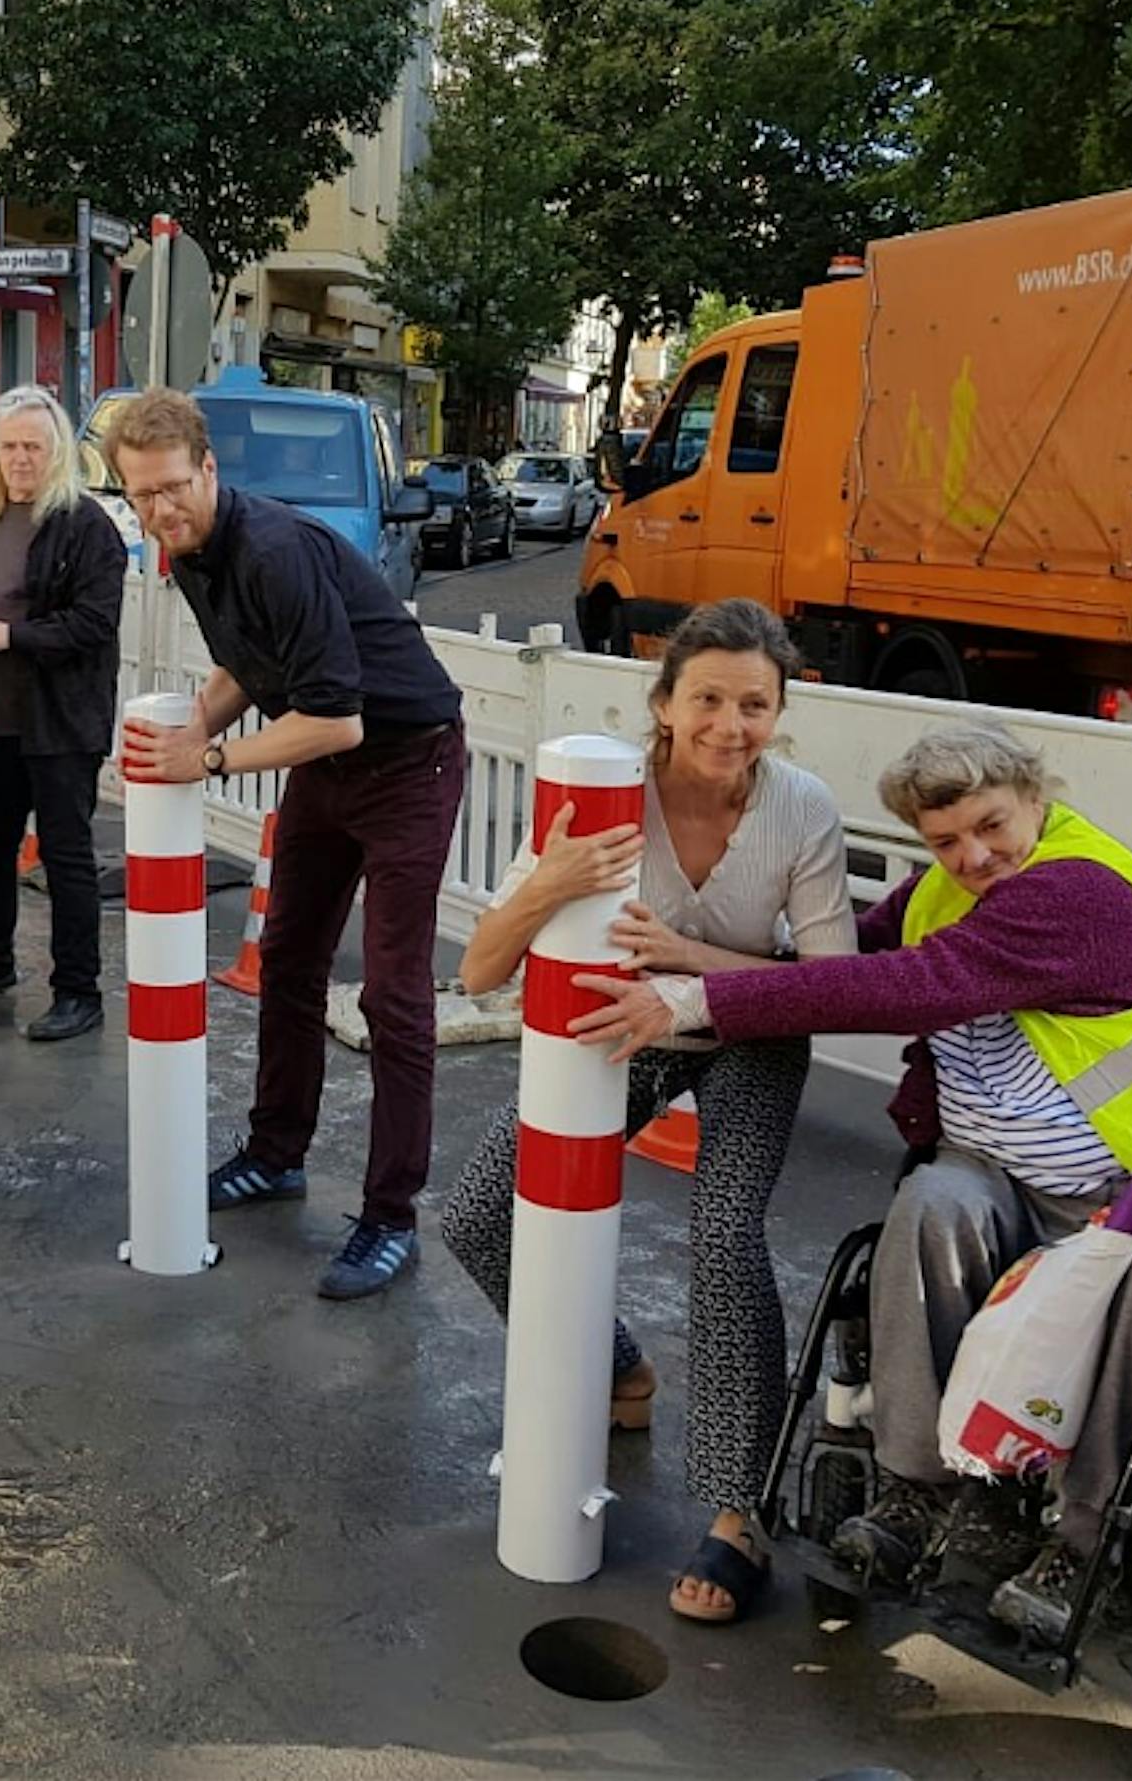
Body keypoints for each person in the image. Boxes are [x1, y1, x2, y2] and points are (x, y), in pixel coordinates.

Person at [568, 719, 1132, 1646]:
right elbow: (845, 969)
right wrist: (698, 959)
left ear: (1038, 799)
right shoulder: (942, 892)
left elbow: (904, 988)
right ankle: (913, 1489)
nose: (974, 857)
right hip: (1008, 1176)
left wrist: (692, 1001)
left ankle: (1083, 1529)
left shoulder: (1074, 893)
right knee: (929, 1205)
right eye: (946, 840)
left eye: (992, 825)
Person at [440, 599, 857, 1624]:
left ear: (779, 711)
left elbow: (834, 984)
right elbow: (479, 968)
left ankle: (736, 1511)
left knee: (723, 1233)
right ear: (663, 703)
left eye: (753, 703)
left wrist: (694, 963)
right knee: (478, 1214)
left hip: (749, 1032)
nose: (729, 722)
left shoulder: (800, 808)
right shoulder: (602, 797)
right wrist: (547, 883)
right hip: (630, 1032)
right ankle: (620, 1364)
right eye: (706, 697)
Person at [109, 386, 465, 1302]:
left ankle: (391, 1215)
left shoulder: (270, 548)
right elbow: (249, 662)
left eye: (175, 487)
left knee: (392, 993)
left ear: (211, 469)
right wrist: (183, 729)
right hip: (331, 759)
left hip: (405, 761)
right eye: (142, 495)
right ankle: (277, 1154)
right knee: (288, 959)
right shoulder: (186, 549)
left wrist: (210, 755)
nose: (161, 509)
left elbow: (339, 719)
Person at [0, 385, 125, 1043]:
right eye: (10, 445)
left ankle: (79, 992)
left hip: (58, 722)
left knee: (65, 858)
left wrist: (8, 637)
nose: (20, 458)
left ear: (58, 453)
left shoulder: (85, 526)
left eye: (33, 447)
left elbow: (94, 623)